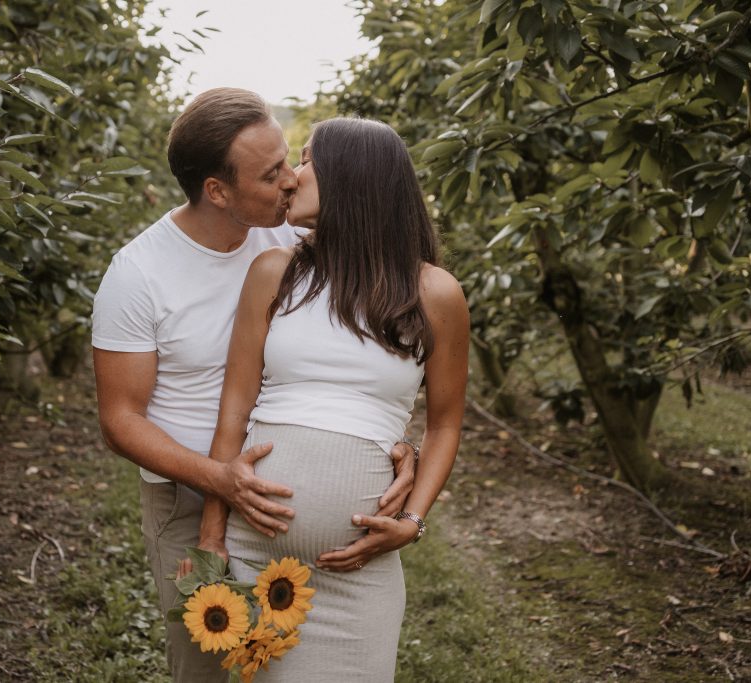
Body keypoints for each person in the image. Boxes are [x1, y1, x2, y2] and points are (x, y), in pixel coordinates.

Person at [91, 89, 417, 682]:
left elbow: (365, 352)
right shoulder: (138, 275)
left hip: (284, 503)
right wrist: (222, 481)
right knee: (213, 665)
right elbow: (120, 420)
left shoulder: (291, 237)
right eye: (271, 174)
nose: (292, 180)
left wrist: (393, 447)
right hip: (191, 501)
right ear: (218, 190)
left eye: (292, 159)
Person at [190, 117, 469, 681]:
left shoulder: (434, 292)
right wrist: (211, 532)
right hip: (253, 553)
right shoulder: (275, 273)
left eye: (307, 160)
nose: (291, 177)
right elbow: (235, 411)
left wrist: (413, 522)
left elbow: (443, 425)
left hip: (358, 578)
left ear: (352, 178)